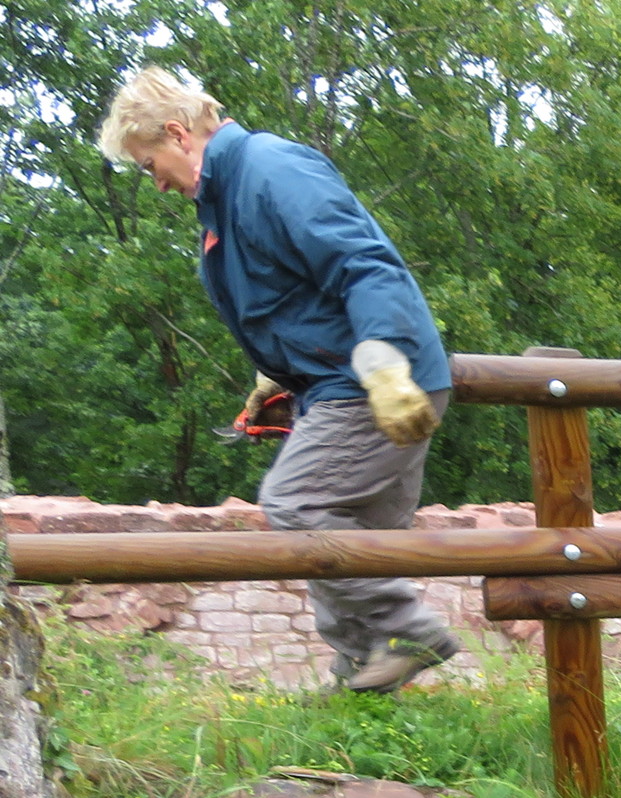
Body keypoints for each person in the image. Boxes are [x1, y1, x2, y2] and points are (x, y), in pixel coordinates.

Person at [96, 68, 462, 693]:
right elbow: (291, 294)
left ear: (178, 135)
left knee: (298, 503)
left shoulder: (270, 170)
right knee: (356, 544)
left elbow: (364, 265)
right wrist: (275, 373)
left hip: (373, 380)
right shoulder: (228, 198)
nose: (155, 182)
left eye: (149, 163)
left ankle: (411, 631)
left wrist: (382, 359)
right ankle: (360, 686)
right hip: (342, 380)